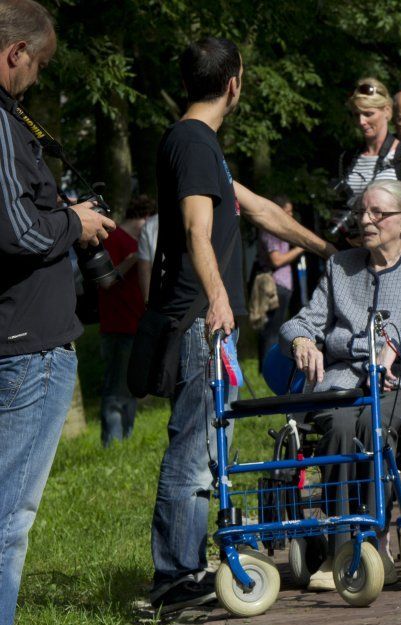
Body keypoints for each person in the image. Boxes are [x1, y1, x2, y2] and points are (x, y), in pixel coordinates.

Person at [148, 37, 337, 614]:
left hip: (204, 320)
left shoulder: (197, 143)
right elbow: (196, 230)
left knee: (209, 448)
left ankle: (185, 566)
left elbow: (260, 209)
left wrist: (327, 247)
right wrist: (218, 300)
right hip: (201, 324)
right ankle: (177, 581)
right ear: (235, 82)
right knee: (194, 452)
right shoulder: (194, 143)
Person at [280, 180, 401, 590]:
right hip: (341, 381)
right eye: (361, 212)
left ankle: (370, 537)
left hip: (399, 383)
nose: (365, 220)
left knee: (370, 423)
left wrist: (397, 342)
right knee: (342, 425)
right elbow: (302, 320)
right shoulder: (340, 267)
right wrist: (300, 340)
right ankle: (341, 545)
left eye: (377, 213)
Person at [0, 2, 117, 622]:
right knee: (8, 521)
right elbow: (17, 231)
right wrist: (77, 220)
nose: (37, 78)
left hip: (13, 338)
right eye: (37, 64)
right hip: (26, 346)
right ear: (15, 53)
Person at [97, 194, 155, 446]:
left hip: (136, 325)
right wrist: (135, 258)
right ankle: (112, 443)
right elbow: (105, 280)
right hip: (117, 327)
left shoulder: (136, 240)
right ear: (144, 218)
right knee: (115, 391)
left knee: (130, 389)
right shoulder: (115, 238)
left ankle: (125, 443)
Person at [339, 78, 401, 205]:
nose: (361, 122)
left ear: (387, 111)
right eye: (357, 115)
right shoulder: (347, 158)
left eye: (368, 114)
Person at [255, 194, 304, 367]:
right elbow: (277, 260)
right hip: (275, 286)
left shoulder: (278, 230)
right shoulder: (270, 230)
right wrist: (300, 249)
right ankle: (269, 366)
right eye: (287, 212)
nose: (290, 216)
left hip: (283, 286)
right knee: (272, 330)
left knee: (275, 328)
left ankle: (269, 364)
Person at [136, 212, 158, 302]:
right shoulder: (202, 216)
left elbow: (144, 269)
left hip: (161, 295)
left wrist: (147, 300)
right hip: (196, 296)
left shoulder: (150, 223)